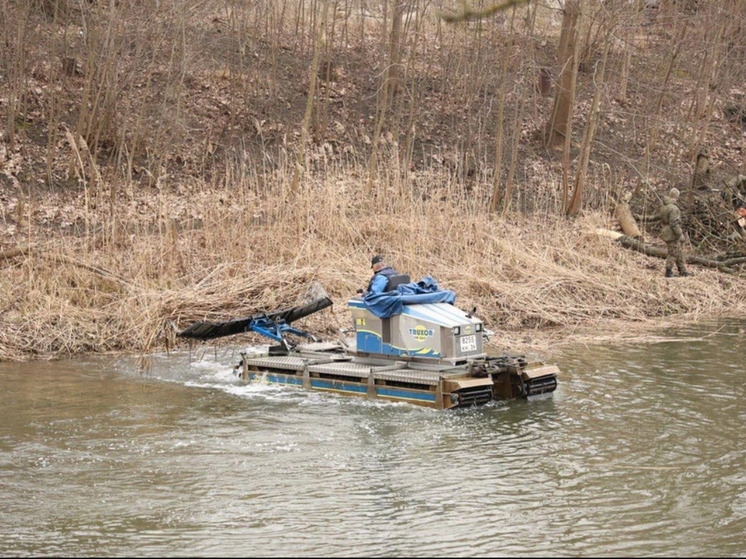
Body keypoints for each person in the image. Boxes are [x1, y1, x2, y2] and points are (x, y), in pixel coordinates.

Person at [658, 188, 692, 278]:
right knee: (673, 253)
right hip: (671, 233)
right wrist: (679, 233)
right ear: (677, 196)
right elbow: (673, 223)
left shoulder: (664, 206)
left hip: (666, 231)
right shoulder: (673, 208)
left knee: (679, 252)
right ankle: (668, 272)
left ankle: (682, 270)